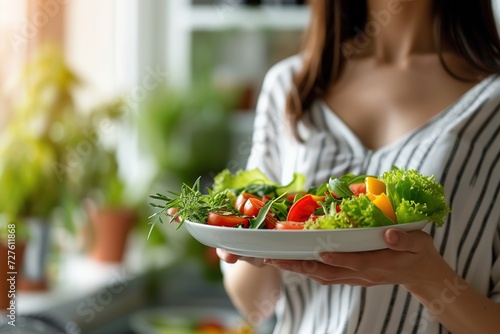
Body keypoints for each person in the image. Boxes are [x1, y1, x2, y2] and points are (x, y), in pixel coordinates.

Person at [216, 0, 500, 333]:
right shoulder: (291, 85)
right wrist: (255, 243)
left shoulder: (491, 102)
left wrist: (426, 277)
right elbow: (253, 305)